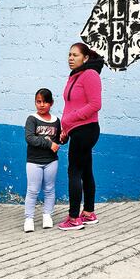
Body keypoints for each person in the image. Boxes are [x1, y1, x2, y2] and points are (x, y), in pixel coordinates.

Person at [58, 42, 104, 231]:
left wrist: (69, 120)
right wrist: (65, 127)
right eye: (69, 55)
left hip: (86, 129)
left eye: (75, 55)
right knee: (85, 171)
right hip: (76, 129)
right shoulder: (74, 76)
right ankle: (88, 213)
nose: (71, 58)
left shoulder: (90, 75)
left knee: (74, 172)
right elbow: (71, 105)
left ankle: (74, 217)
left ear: (85, 58)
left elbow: (95, 104)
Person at [24, 88, 61, 233]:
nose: (41, 105)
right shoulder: (32, 119)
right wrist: (48, 144)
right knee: (32, 190)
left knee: (49, 189)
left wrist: (64, 138)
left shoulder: (56, 120)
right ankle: (29, 219)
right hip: (34, 161)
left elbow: (58, 141)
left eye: (45, 102)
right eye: (38, 101)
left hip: (51, 161)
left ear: (51, 103)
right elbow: (30, 138)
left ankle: (47, 216)